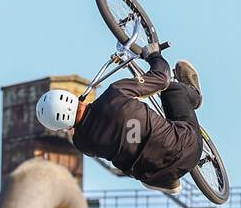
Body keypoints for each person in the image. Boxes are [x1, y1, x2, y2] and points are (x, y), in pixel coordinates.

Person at [36, 47, 203, 194]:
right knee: (173, 90)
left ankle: (168, 182)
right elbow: (162, 78)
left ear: (62, 129)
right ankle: (195, 95)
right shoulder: (115, 94)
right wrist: (154, 56)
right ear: (72, 98)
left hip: (154, 176)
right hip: (188, 150)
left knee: (133, 147)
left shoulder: (82, 143)